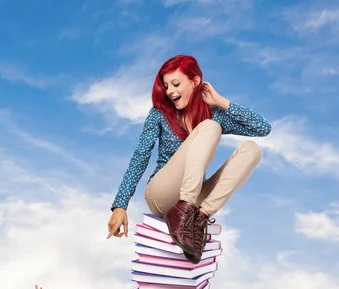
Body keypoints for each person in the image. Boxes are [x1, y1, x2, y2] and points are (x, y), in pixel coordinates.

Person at [107, 54, 272, 263]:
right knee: (211, 127)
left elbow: (262, 128)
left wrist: (220, 102)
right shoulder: (159, 114)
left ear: (195, 82)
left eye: (176, 84)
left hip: (195, 204)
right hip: (162, 195)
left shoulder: (213, 113)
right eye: (166, 86)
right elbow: (140, 157)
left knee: (252, 150)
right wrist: (120, 205)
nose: (170, 92)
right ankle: (182, 211)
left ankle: (199, 219)